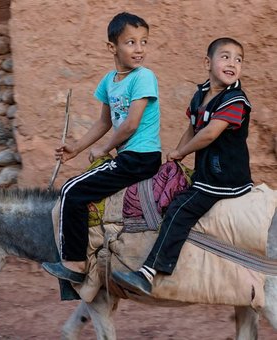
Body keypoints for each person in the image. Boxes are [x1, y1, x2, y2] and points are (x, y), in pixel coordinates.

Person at [112, 37, 253, 295]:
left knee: (181, 208)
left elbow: (209, 134)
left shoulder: (236, 100)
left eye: (239, 59)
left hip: (225, 178)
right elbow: (192, 129)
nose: (233, 63)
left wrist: (181, 151)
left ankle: (150, 271)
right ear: (207, 63)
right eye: (225, 57)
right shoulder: (200, 94)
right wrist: (176, 158)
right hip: (205, 173)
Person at [42, 12, 162, 284]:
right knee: (78, 189)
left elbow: (131, 124)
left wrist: (103, 149)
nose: (139, 48)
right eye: (131, 42)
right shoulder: (109, 81)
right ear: (112, 47)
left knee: (72, 190)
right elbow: (104, 121)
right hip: (129, 156)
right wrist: (76, 147)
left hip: (141, 157)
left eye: (144, 42)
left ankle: (75, 265)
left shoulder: (144, 77)